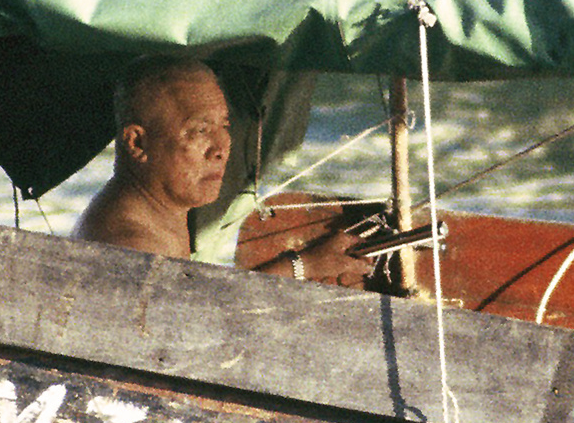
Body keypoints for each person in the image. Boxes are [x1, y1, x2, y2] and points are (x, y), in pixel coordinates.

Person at [75, 56, 371, 286]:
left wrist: (306, 264)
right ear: (137, 143)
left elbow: (202, 303)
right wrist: (302, 266)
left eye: (225, 126)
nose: (221, 147)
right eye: (200, 130)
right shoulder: (132, 248)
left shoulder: (152, 220)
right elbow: (205, 324)